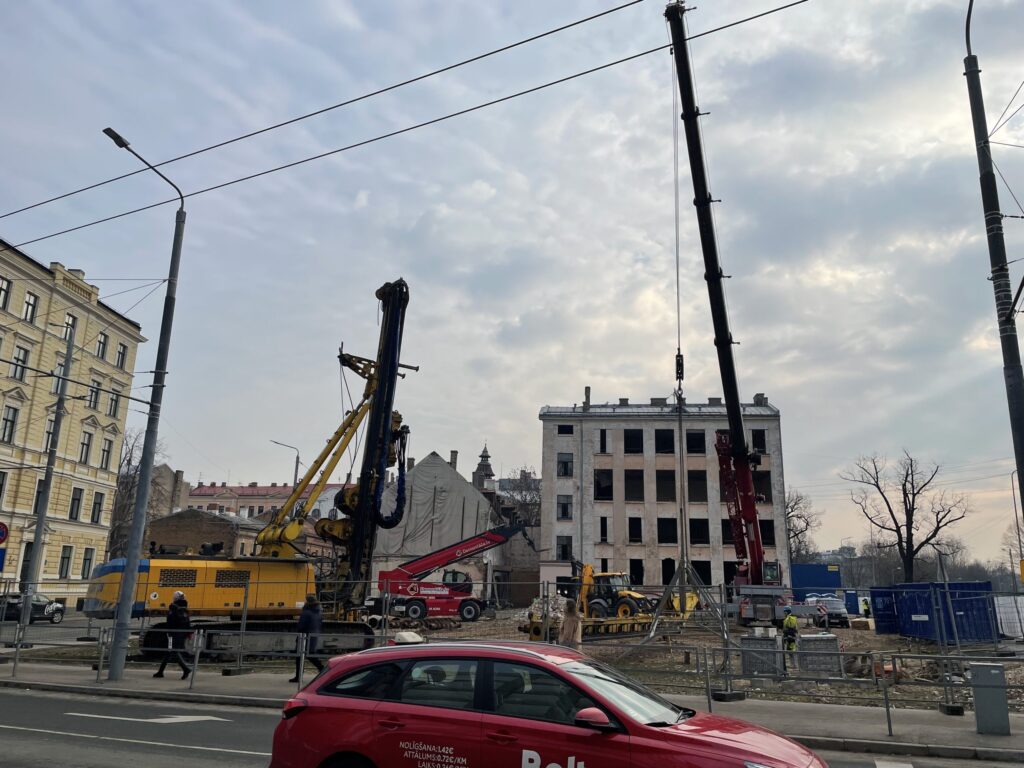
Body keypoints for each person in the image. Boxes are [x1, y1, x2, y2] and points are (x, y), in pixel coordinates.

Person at [154, 591, 192, 679]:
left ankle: (186, 669)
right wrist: (189, 632)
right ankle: (160, 672)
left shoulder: (174, 608)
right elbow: (187, 622)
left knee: (173, 651)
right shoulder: (184, 609)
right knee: (169, 651)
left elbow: (170, 621)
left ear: (175, 598)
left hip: (173, 633)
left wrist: (168, 631)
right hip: (181, 633)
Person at [291, 594, 325, 682]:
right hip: (313, 636)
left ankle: (322, 670)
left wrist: (299, 633)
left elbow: (301, 626)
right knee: (310, 655)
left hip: (304, 637)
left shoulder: (306, 612)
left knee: (301, 656)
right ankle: (322, 670)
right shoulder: (318, 612)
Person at [782, 606, 799, 672]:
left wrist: (786, 634)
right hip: (790, 637)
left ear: (786, 612)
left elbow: (791, 629)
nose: (784, 613)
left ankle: (795, 665)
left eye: (784, 612)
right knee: (789, 651)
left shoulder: (790, 618)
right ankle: (793, 664)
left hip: (791, 637)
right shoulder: (790, 618)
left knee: (792, 651)